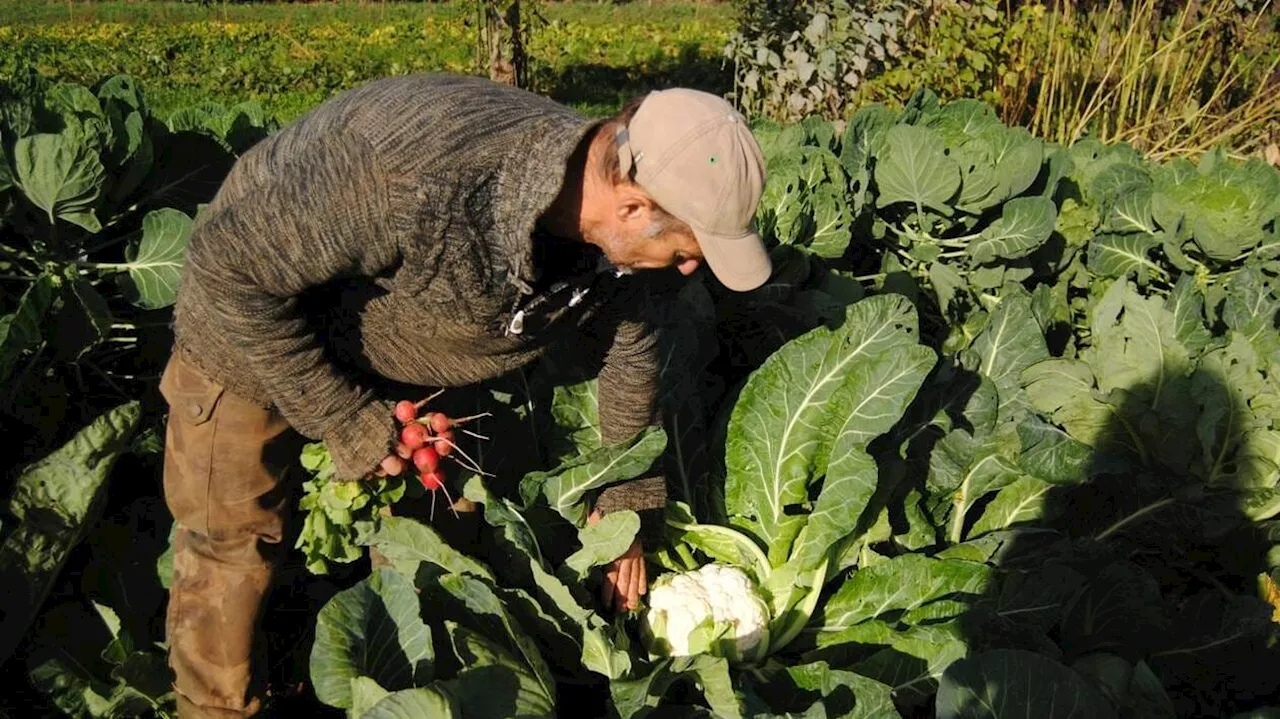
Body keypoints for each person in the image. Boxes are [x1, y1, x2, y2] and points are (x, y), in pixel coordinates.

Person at [157, 72, 770, 718]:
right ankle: (213, 706)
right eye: (685, 250)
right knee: (233, 543)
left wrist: (624, 499)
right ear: (632, 207)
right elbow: (226, 268)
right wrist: (339, 413)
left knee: (440, 553)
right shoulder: (412, 176)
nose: (688, 270)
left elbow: (634, 345)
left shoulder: (616, 228)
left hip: (400, 341)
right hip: (250, 319)